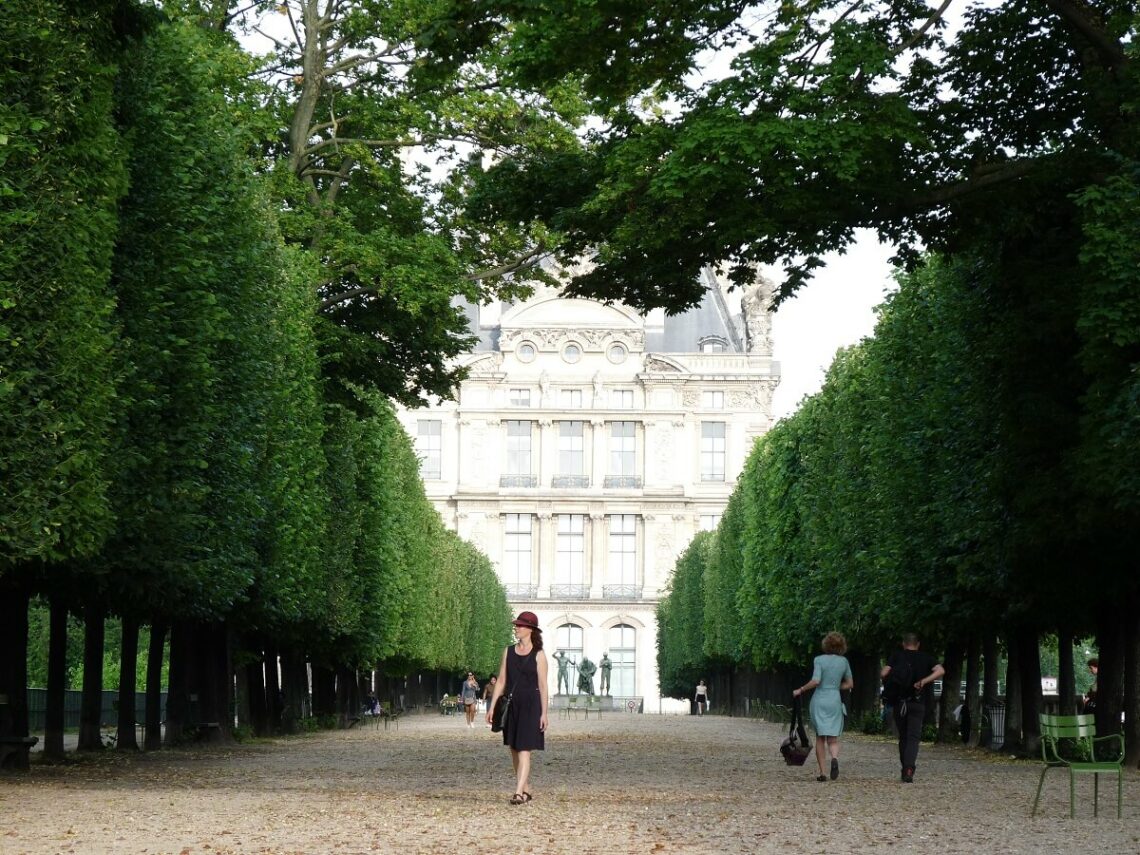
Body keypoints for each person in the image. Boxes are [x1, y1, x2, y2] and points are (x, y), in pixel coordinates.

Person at [485, 611, 549, 805]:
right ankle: (526, 787)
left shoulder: (539, 655)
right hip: (512, 705)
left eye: (520, 625)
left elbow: (544, 686)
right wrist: (492, 707)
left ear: (530, 629)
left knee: (524, 750)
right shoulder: (509, 651)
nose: (516, 628)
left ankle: (519, 792)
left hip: (531, 706)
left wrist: (544, 713)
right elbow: (502, 680)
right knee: (514, 748)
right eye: (516, 625)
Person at [881, 632, 945, 783]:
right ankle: (909, 768)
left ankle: (905, 768)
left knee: (903, 736)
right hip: (918, 702)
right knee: (913, 738)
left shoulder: (896, 656)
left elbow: (884, 673)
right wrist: (924, 681)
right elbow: (941, 670)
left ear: (904, 644)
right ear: (918, 644)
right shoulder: (926, 658)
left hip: (900, 702)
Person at [793, 631, 854, 782]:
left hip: (820, 699)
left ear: (826, 644)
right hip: (834, 699)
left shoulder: (819, 660)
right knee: (832, 738)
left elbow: (816, 681)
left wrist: (800, 689)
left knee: (820, 737)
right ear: (842, 646)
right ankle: (834, 758)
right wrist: (835, 687)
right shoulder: (844, 662)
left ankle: (823, 773)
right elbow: (850, 684)